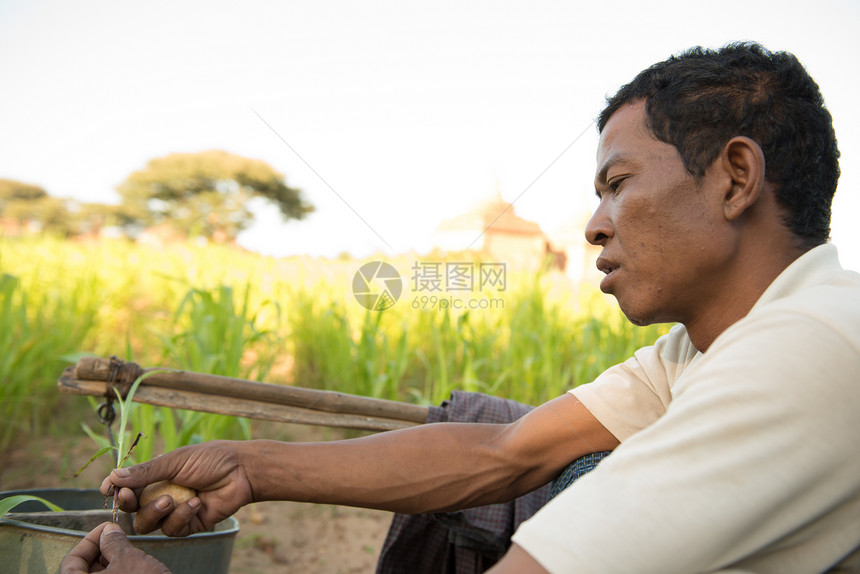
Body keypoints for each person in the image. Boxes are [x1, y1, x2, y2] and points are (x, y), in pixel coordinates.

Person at [65, 41, 860, 573]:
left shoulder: (802, 354)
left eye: (617, 186)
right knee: (566, 463)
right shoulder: (704, 348)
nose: (592, 226)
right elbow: (505, 453)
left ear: (734, 177)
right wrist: (250, 466)